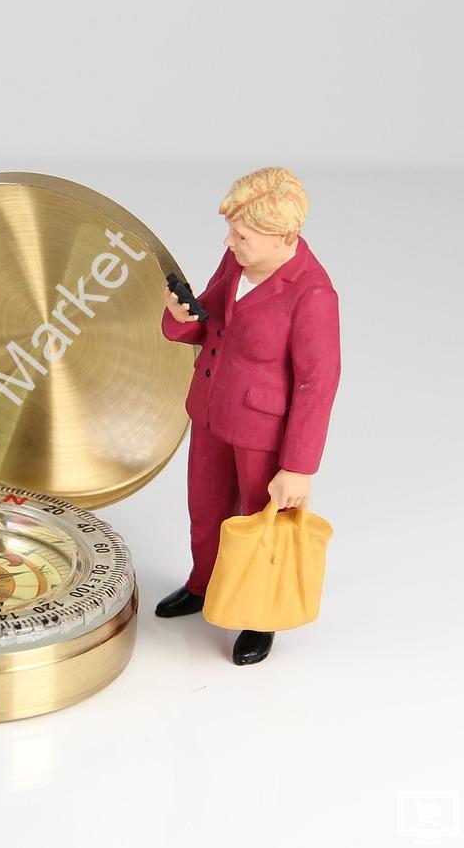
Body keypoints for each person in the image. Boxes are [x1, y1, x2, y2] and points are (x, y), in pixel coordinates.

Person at [155, 167, 339, 664]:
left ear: (285, 238)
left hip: (263, 432)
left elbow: (318, 384)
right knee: (205, 508)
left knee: (260, 524)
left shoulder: (313, 295)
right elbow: (208, 322)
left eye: (242, 236)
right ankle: (203, 582)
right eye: (232, 232)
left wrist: (298, 466)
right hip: (211, 411)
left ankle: (260, 615)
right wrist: (181, 316)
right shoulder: (236, 262)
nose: (229, 242)